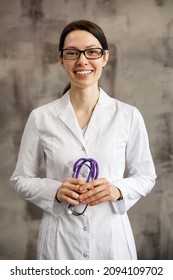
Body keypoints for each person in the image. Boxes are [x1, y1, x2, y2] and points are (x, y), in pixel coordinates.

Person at [11, 19, 156, 260]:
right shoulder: (41, 118)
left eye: (92, 52)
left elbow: (147, 176)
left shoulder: (128, 115)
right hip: (60, 242)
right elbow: (20, 179)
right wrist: (55, 190)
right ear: (61, 59)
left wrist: (117, 190)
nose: (82, 60)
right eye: (72, 53)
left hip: (112, 241)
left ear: (105, 58)